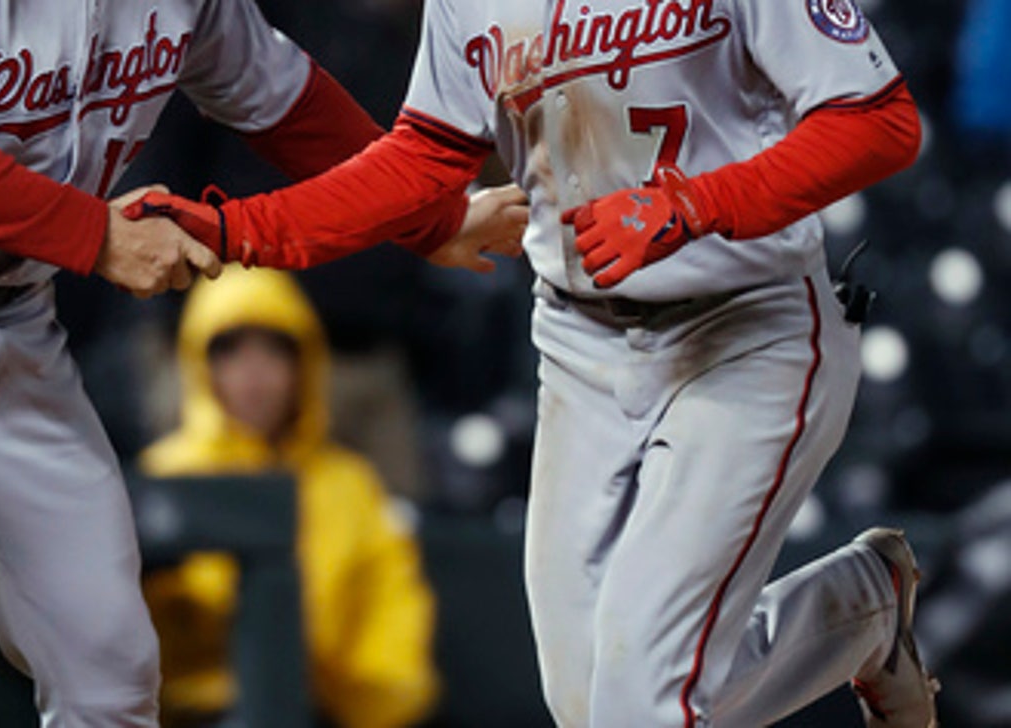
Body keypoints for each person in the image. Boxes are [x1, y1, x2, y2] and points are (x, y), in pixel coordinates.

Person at [129, 0, 940, 725]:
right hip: (578, 341)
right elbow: (419, 161)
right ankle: (862, 605)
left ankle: (863, 609)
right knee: (587, 703)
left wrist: (696, 204)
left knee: (640, 701)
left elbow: (879, 121)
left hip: (747, 325)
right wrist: (240, 229)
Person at [0, 0, 528, 725]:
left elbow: (287, 104)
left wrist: (429, 220)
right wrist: (97, 235)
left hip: (12, 318)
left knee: (109, 667)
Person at [140, 267, 439, 728]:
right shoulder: (164, 477)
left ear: (305, 363)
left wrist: (367, 696)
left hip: (327, 712)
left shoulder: (350, 483)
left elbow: (392, 609)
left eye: (274, 351)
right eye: (231, 351)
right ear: (201, 363)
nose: (254, 374)